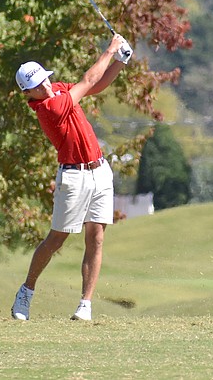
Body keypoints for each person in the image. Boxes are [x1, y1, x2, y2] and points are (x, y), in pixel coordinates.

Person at [10, 33, 132, 321]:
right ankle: (27, 290)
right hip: (73, 177)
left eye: (44, 79)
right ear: (29, 94)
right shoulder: (48, 108)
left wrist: (120, 61)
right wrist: (110, 49)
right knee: (57, 238)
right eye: (37, 86)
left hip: (99, 170)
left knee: (97, 237)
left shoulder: (57, 91)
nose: (45, 86)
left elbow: (96, 86)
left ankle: (85, 304)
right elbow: (88, 80)